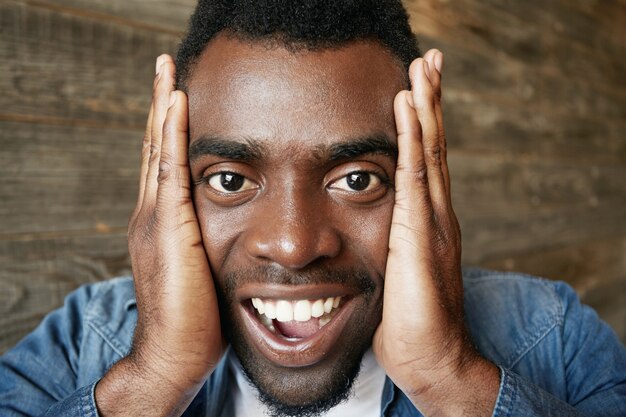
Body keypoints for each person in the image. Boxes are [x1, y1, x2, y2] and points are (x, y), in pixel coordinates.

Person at [1, 1, 625, 416]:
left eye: (357, 179)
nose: (294, 244)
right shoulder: (86, 338)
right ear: (168, 188)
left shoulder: (555, 334)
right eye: (227, 179)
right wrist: (153, 376)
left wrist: (450, 378)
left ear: (426, 178)